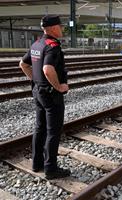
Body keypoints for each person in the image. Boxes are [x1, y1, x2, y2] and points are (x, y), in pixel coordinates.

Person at [19, 15, 70, 179]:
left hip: (38, 92)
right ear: (54, 28)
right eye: (60, 26)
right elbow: (48, 69)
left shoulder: (37, 43)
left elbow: (23, 64)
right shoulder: (52, 46)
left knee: (40, 128)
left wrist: (35, 79)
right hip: (51, 94)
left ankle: (37, 163)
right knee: (53, 131)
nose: (62, 29)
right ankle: (51, 169)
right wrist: (59, 86)